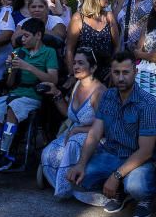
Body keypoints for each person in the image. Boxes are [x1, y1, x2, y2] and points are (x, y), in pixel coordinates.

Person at [67, 53, 156, 217]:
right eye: (116, 73)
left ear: (135, 72)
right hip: (111, 154)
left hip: (136, 159)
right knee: (80, 178)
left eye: (126, 72)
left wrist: (116, 175)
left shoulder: (147, 103)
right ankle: (120, 191)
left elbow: (146, 151)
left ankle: (145, 198)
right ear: (111, 72)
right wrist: (80, 164)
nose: (121, 78)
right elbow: (95, 133)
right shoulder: (108, 96)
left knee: (136, 186)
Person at [0, 17, 59, 171]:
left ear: (38, 35)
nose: (22, 39)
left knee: (14, 107)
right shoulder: (18, 51)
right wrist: (11, 70)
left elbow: (53, 79)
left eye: (26, 36)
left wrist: (28, 67)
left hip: (34, 94)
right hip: (15, 92)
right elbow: (9, 84)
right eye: (22, 36)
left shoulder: (49, 52)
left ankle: (5, 153)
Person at [40, 48, 106, 199]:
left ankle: (72, 187)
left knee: (72, 145)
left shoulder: (99, 92)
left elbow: (104, 128)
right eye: (74, 63)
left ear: (93, 67)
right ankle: (62, 184)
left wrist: (78, 130)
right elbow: (68, 113)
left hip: (95, 138)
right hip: (73, 131)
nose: (75, 66)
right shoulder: (77, 84)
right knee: (48, 153)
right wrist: (57, 94)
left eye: (81, 63)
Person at [66, 0, 119, 83]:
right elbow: (69, 49)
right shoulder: (78, 18)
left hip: (106, 74)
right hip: (84, 73)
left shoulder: (109, 17)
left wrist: (113, 69)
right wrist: (72, 74)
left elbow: (117, 46)